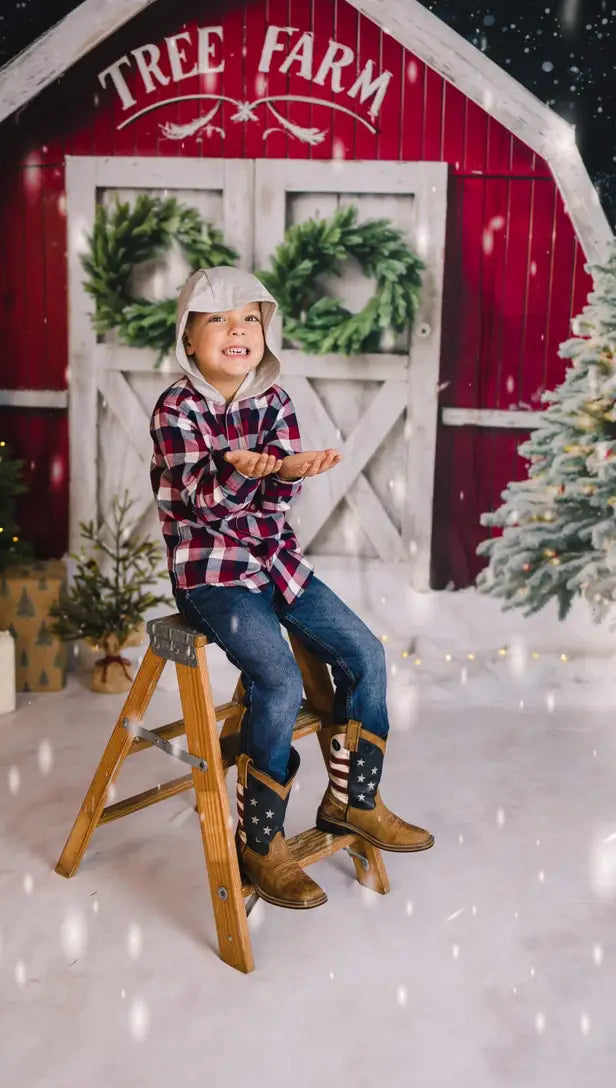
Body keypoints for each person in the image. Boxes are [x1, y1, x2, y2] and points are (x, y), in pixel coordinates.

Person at [149, 265, 433, 910]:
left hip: (275, 560)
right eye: (218, 320)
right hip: (211, 571)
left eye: (249, 318)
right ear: (189, 339)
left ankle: (352, 802)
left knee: (364, 653)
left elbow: (278, 501)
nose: (236, 331)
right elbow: (204, 505)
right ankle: (261, 840)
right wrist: (245, 472)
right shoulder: (177, 408)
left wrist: (288, 471)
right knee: (277, 679)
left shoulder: (274, 399)